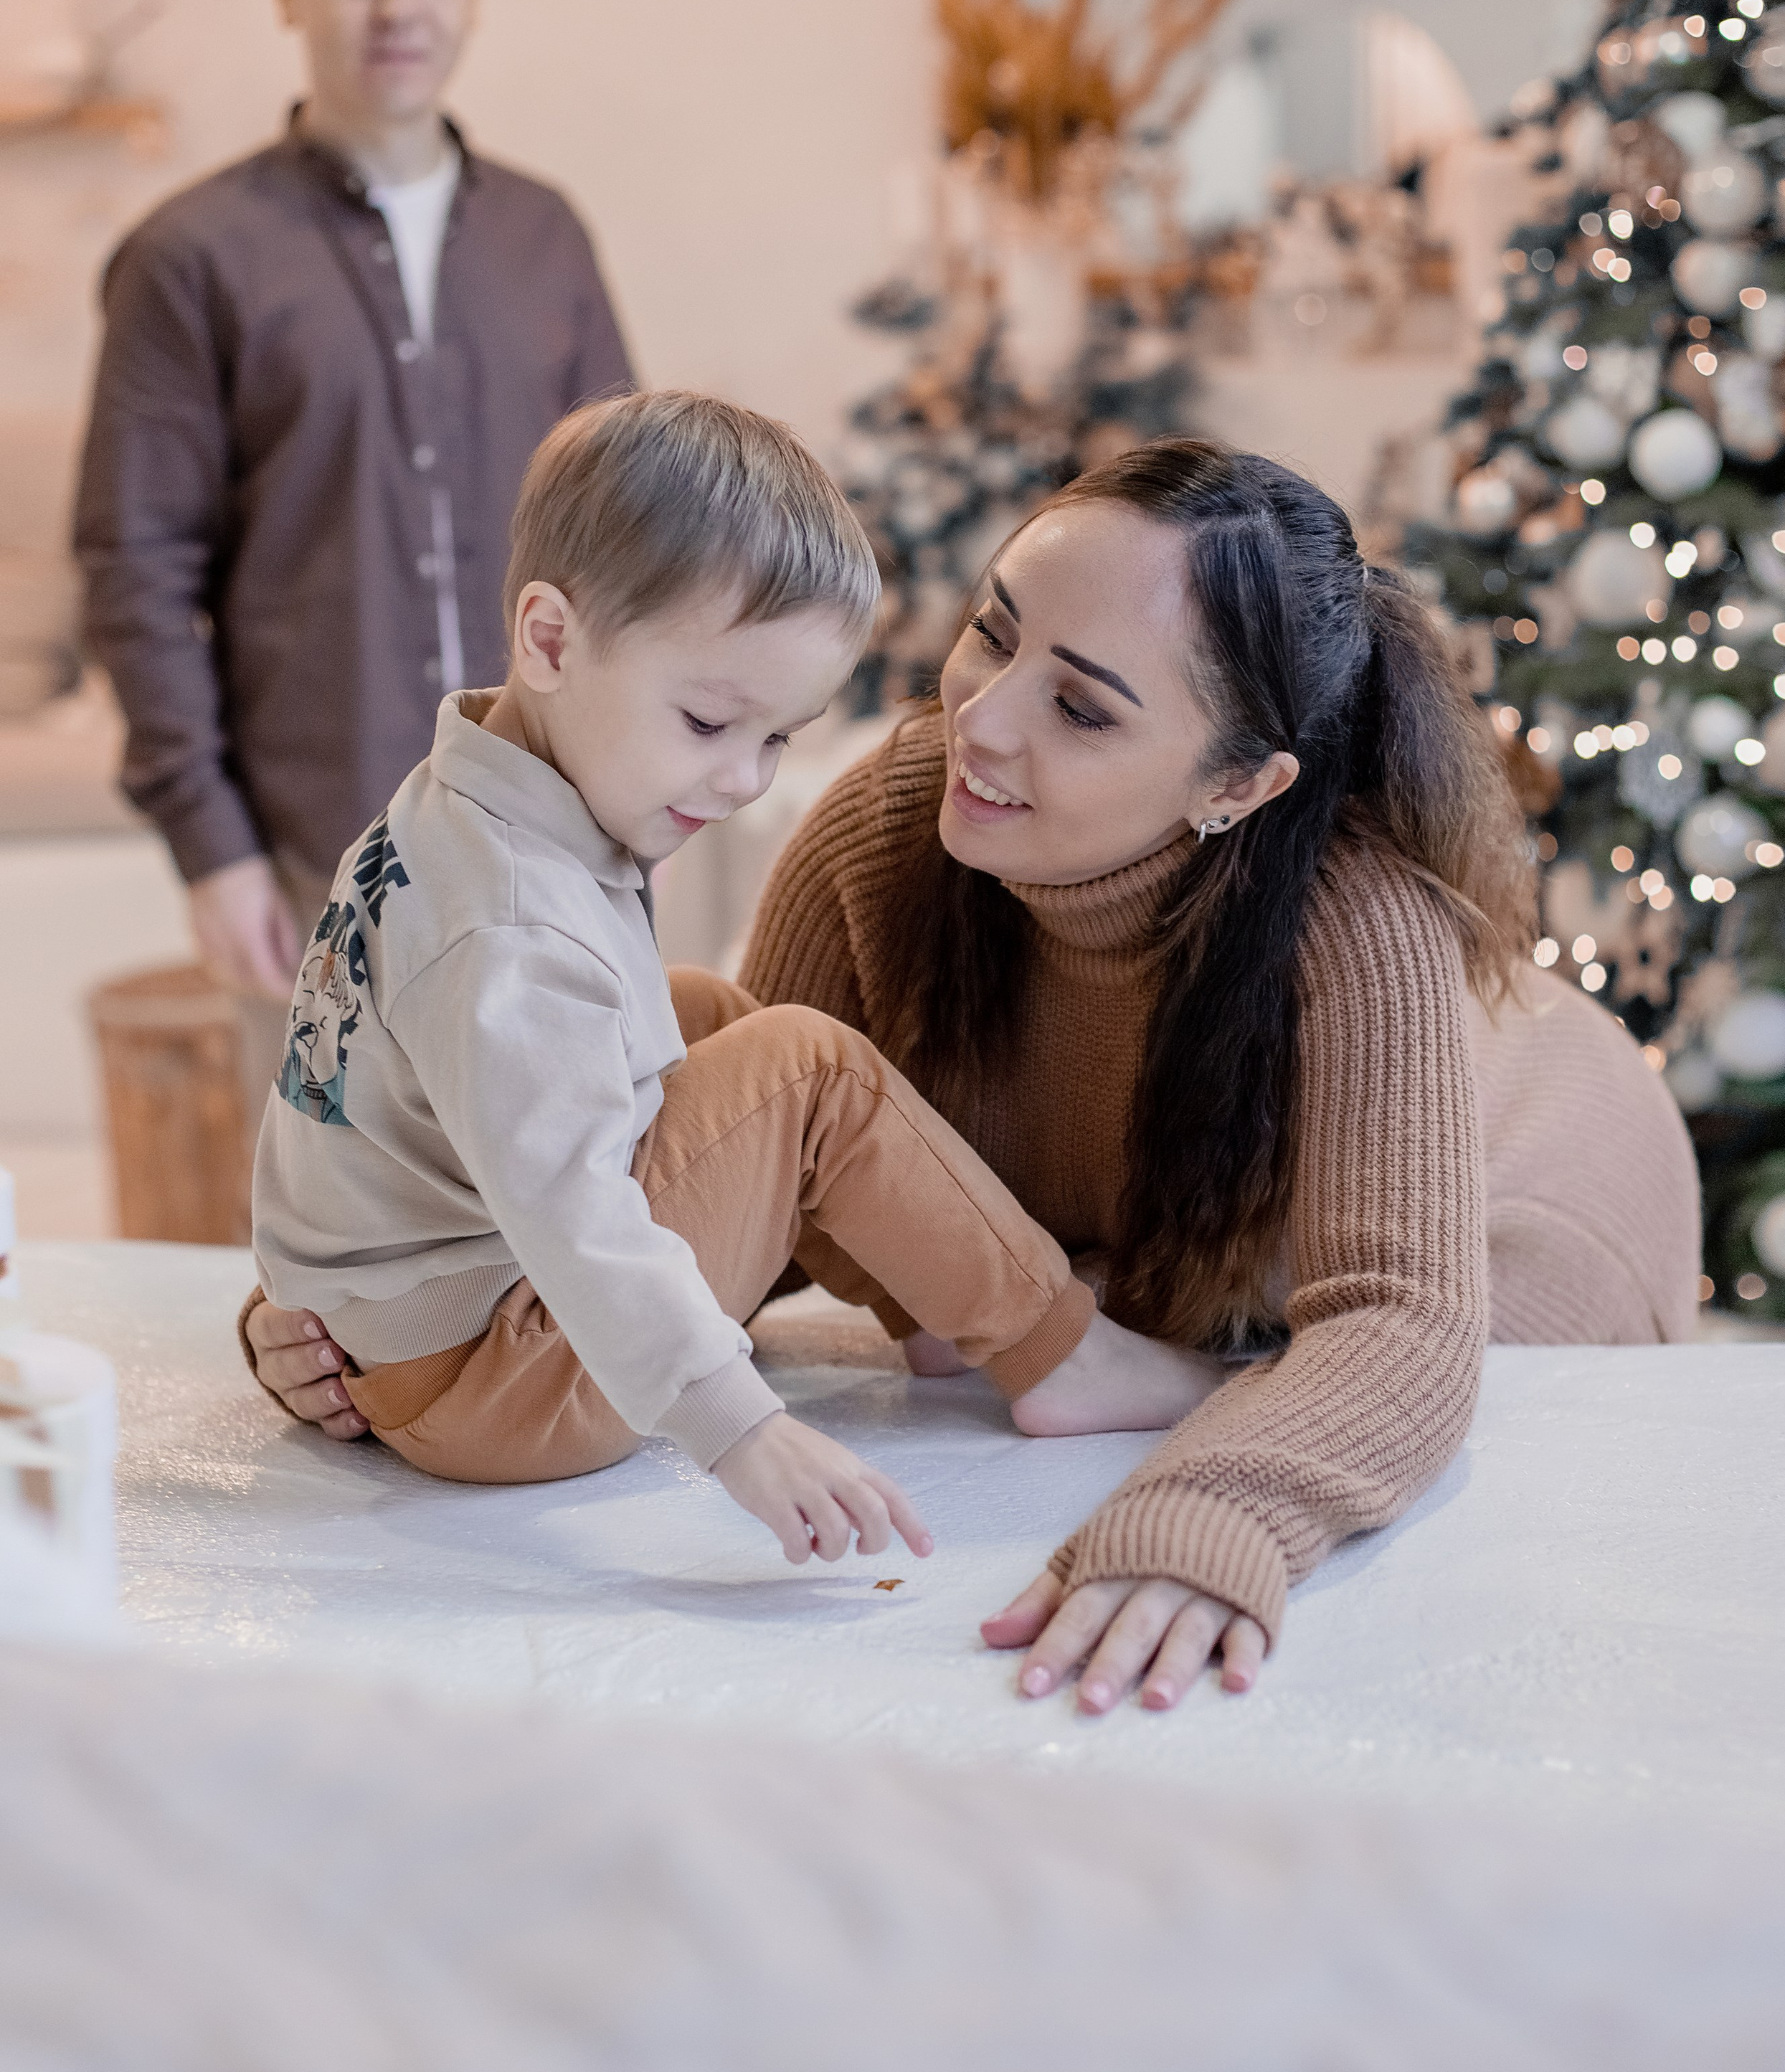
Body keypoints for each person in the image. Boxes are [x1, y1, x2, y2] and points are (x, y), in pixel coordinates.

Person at [249, 441, 1700, 1707]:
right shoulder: (893, 830)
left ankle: (1106, 1349)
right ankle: (1094, 1335)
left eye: (1079, 708)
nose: (983, 723)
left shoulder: (1351, 927)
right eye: (990, 636)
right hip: (1121, 1283)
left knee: (1455, 1476)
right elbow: (715, 1176)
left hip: (1532, 1196)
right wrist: (353, 1296)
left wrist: (1202, 1520)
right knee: (725, 1032)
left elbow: (1398, 1325)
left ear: (1233, 786)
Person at [245, 393, 1215, 1567]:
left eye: (777, 739)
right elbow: (577, 1214)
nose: (746, 779)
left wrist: (307, 1297)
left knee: (698, 1013)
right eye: (710, 720)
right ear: (549, 641)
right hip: (497, 1379)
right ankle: (1063, 1354)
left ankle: (933, 1310)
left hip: (414, 1341)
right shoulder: (507, 926)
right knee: (801, 1069)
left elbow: (354, 1105)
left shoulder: (460, 811)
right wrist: (742, 1430)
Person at [75, 0, 634, 998]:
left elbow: (633, 531)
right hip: (312, 855)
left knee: (576, 1172)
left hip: (556, 831)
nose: (398, 7)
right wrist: (211, 850)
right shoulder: (188, 260)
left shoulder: (547, 237)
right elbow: (134, 567)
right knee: (334, 1186)